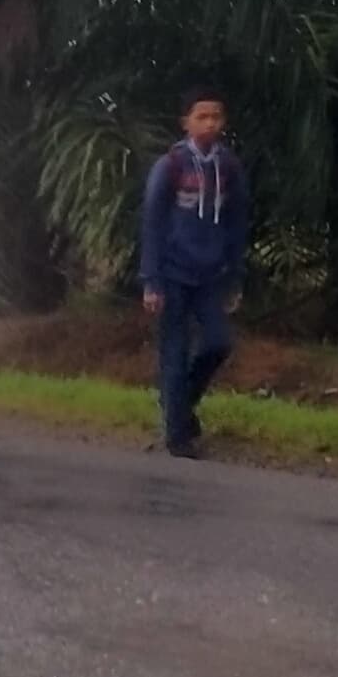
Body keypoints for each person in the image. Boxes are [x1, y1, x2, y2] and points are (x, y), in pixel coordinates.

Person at [138, 93, 250, 458]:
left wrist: (234, 276)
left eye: (216, 116)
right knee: (175, 352)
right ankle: (178, 436)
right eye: (202, 116)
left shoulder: (228, 167)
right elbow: (153, 224)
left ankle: (177, 407)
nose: (210, 123)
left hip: (210, 275)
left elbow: (236, 223)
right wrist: (151, 281)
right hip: (172, 274)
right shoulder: (170, 165)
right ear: (185, 122)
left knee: (218, 343)